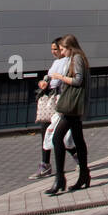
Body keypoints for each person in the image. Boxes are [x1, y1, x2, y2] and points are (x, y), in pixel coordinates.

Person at [45, 34, 90, 196]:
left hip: (71, 106)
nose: (61, 52)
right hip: (75, 106)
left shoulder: (76, 58)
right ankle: (84, 175)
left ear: (70, 47)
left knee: (57, 138)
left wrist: (60, 77)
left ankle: (60, 178)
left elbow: (78, 81)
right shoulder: (78, 57)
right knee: (78, 139)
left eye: (63, 49)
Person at [31, 38, 70, 179]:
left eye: (56, 49)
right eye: (52, 49)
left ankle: (77, 157)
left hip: (59, 101)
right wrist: (44, 82)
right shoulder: (56, 62)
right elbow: (49, 78)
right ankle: (45, 163)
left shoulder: (68, 61)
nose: (54, 52)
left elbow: (61, 79)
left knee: (60, 133)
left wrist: (54, 79)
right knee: (47, 131)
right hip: (51, 100)